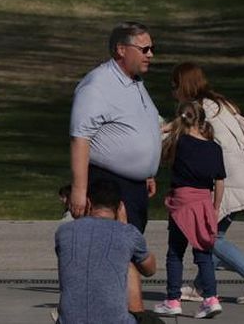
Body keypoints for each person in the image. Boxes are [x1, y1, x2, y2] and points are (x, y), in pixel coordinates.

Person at [68, 22, 161, 318]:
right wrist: (80, 190)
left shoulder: (135, 82)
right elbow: (80, 138)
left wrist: (147, 170)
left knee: (128, 250)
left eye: (152, 49)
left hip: (134, 185)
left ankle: (127, 312)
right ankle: (135, 314)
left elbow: (139, 128)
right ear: (122, 50)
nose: (151, 55)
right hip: (109, 182)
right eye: (144, 49)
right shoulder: (98, 85)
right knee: (125, 252)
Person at [172, 63, 244, 306]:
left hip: (228, 181)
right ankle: (200, 287)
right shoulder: (221, 104)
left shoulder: (195, 110)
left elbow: (176, 135)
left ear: (184, 86)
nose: (173, 92)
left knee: (211, 238)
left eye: (174, 86)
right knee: (216, 234)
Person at [153, 101, 225, 319]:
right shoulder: (214, 147)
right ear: (202, 119)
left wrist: (169, 126)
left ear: (181, 118)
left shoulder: (179, 142)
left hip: (181, 201)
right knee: (203, 252)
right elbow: (220, 181)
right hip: (203, 201)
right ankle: (211, 298)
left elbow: (157, 135)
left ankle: (173, 300)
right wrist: (215, 208)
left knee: (175, 252)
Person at [55, 178, 157, 324]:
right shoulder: (128, 233)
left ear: (88, 203)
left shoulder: (64, 232)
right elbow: (150, 270)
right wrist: (125, 226)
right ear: (120, 207)